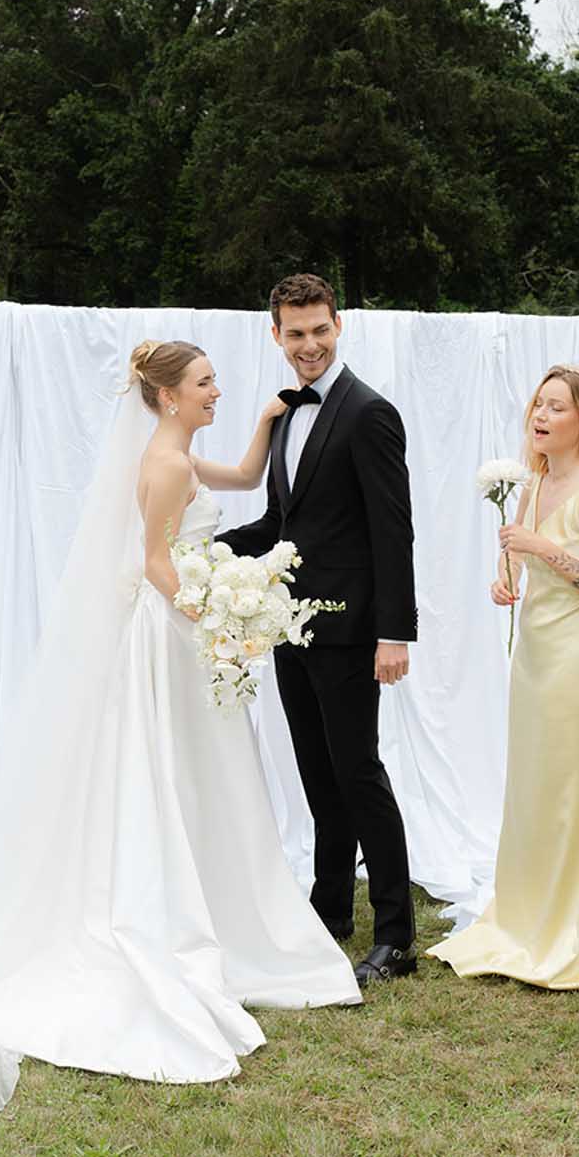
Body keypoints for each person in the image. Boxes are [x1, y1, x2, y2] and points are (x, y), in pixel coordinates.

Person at [0, 339, 358, 1157]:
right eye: (205, 383)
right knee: (169, 774)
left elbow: (235, 481)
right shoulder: (163, 466)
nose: (217, 391)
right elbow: (158, 563)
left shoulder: (181, 453)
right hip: (173, 634)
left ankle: (217, 900)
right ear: (168, 397)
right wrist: (219, 613)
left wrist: (267, 428)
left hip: (189, 634)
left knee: (204, 778)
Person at [223, 275, 417, 988]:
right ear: (276, 335)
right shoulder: (282, 415)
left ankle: (396, 934)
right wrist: (211, 551)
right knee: (317, 775)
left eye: (319, 331)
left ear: (340, 327)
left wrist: (394, 633)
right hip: (290, 627)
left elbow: (392, 532)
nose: (308, 345)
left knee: (359, 772)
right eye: (295, 333)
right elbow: (285, 523)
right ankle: (331, 905)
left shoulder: (370, 413)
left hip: (352, 630)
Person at [430, 365, 579, 989]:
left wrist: (539, 550)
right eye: (537, 406)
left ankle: (573, 928)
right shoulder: (535, 481)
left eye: (556, 408)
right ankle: (527, 916)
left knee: (575, 787)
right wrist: (507, 577)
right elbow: (521, 555)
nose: (541, 418)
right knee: (535, 788)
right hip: (536, 657)